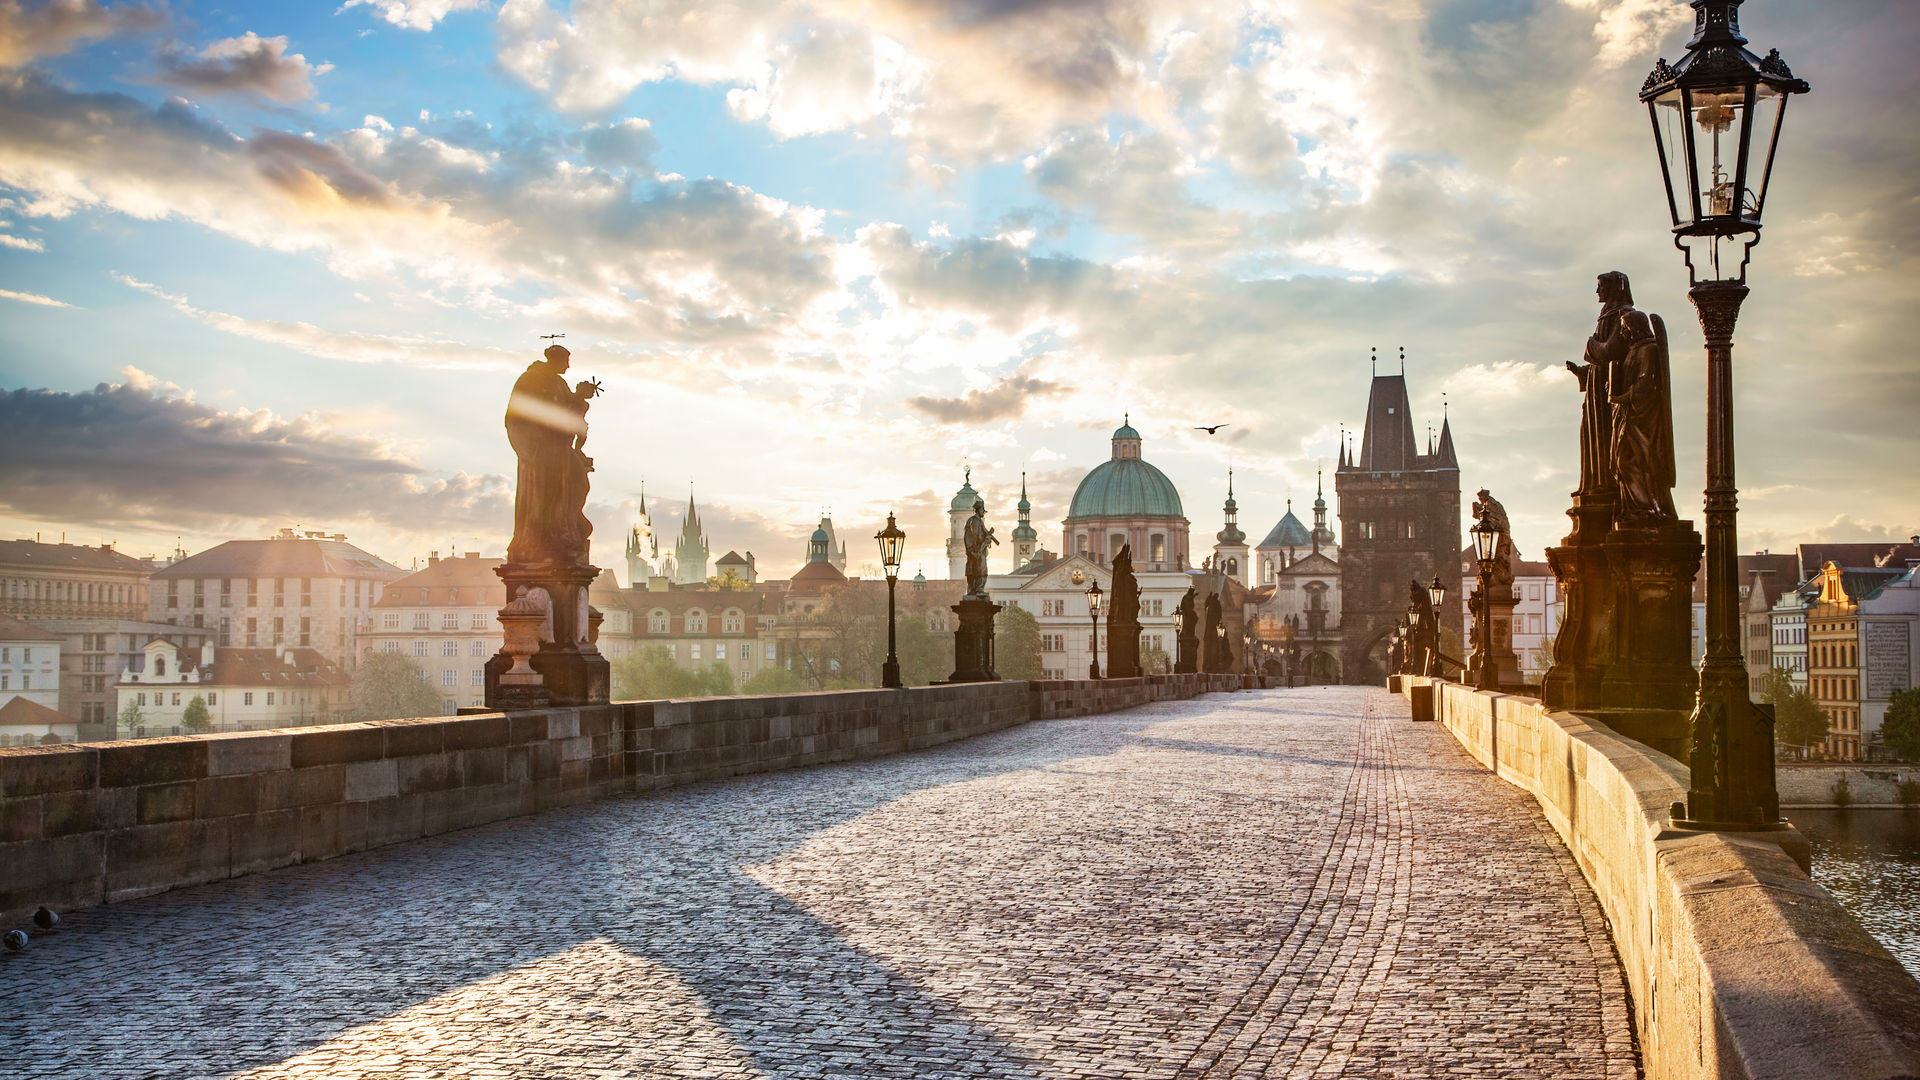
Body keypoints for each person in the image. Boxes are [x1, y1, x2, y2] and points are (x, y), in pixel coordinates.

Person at [505, 344, 600, 565]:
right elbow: (521, 413)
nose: (568, 365)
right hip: (541, 450)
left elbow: (568, 411)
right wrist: (537, 441)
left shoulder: (559, 383)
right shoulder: (531, 380)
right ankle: (545, 533)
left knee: (578, 483)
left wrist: (580, 396)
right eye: (566, 360)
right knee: (548, 492)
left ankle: (566, 527)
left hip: (560, 448)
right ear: (555, 359)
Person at [962, 497, 997, 597]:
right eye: (982, 510)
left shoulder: (980, 522)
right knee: (973, 571)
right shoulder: (972, 521)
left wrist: (987, 540)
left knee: (982, 571)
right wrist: (971, 551)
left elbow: (983, 535)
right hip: (974, 551)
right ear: (978, 510)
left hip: (980, 551)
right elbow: (968, 537)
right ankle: (973, 589)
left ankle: (979, 589)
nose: (983, 512)